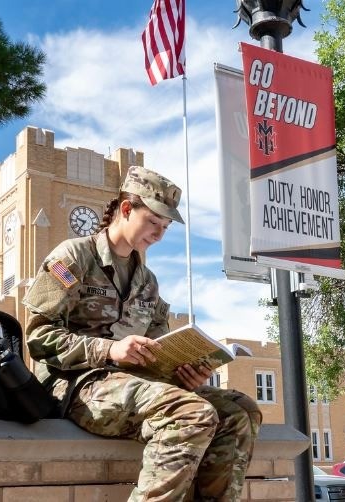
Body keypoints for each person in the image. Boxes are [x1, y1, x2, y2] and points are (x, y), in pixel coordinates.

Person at [23, 165, 262, 501]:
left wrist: (185, 373)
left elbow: (160, 355)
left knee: (241, 411)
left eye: (165, 227)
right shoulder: (72, 258)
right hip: (78, 386)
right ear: (125, 209)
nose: (159, 234)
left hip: (136, 386)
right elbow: (39, 338)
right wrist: (110, 351)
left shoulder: (147, 283)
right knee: (190, 413)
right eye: (153, 222)